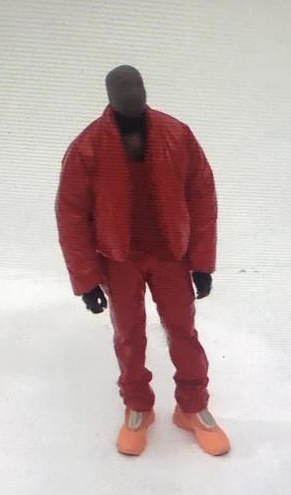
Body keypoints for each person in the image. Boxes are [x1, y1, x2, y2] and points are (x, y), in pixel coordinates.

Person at [55, 65, 230, 458]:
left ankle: (193, 405)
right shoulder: (88, 147)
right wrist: (85, 279)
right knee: (129, 334)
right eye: (123, 89)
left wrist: (202, 261)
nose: (133, 95)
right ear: (110, 96)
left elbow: (202, 197)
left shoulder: (176, 135)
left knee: (183, 330)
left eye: (137, 87)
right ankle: (138, 407)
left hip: (171, 254)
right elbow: (71, 214)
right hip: (119, 258)